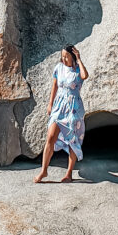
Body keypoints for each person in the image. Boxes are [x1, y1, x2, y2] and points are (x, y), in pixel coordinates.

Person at [34, 44, 88, 183]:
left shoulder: (77, 70)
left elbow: (85, 75)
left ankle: (69, 173)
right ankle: (44, 170)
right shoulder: (59, 68)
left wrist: (79, 59)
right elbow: (54, 86)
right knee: (50, 137)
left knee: (72, 140)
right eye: (62, 56)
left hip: (73, 108)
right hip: (59, 106)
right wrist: (50, 103)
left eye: (67, 56)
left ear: (73, 56)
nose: (64, 59)